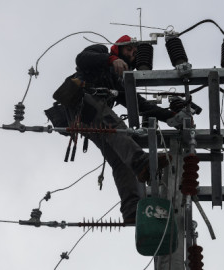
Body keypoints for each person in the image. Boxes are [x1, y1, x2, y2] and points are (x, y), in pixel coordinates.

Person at [45, 35, 173, 223]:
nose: (131, 54)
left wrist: (170, 116)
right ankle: (140, 161)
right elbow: (81, 58)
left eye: (134, 53)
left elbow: (139, 105)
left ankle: (131, 210)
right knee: (116, 127)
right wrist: (111, 59)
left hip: (90, 120)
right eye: (128, 49)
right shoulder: (101, 52)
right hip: (82, 103)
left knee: (121, 160)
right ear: (118, 48)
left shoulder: (117, 83)